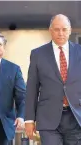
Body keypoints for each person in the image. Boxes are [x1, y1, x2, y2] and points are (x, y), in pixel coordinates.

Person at [25, 14, 81, 145]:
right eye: (56, 29)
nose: (60, 33)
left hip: (76, 116)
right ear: (50, 30)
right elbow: (32, 88)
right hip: (48, 118)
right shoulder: (38, 54)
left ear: (70, 30)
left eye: (64, 29)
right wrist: (29, 119)